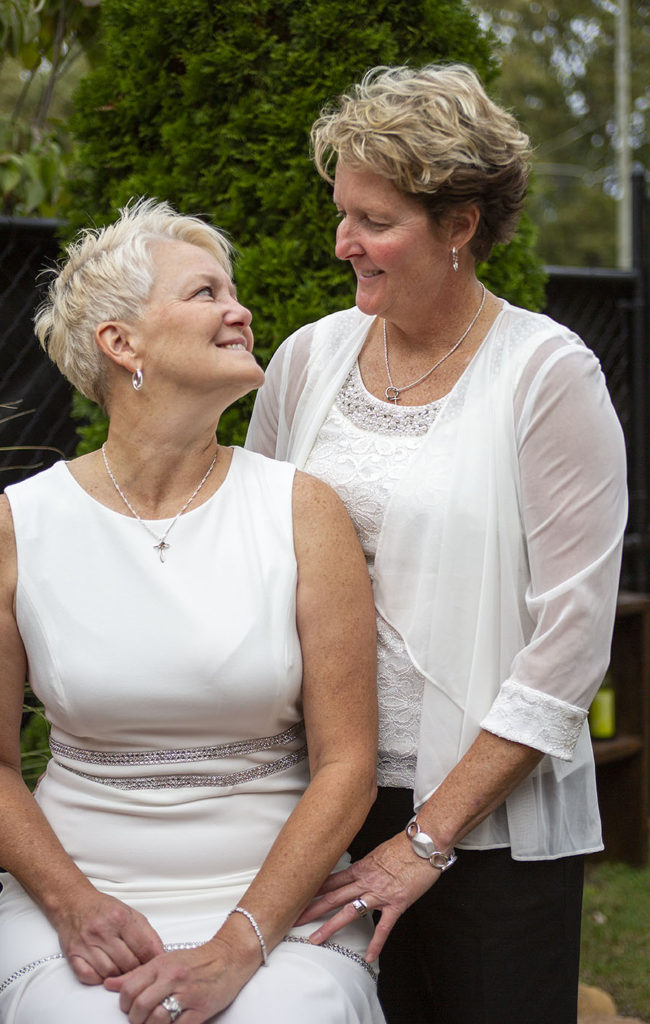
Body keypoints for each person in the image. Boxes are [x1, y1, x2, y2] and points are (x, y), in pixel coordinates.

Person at [245, 64, 628, 1024]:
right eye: (343, 214)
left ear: (459, 226)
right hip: (315, 800)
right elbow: (248, 554)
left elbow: (570, 643)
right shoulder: (307, 360)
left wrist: (426, 840)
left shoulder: (547, 377)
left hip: (483, 821)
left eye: (374, 221)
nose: (344, 244)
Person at [0, 199, 387, 1024]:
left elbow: (349, 767)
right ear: (121, 342)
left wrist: (240, 944)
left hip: (280, 909)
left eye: (232, 292)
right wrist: (74, 906)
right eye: (205, 294)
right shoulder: (14, 527)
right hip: (84, 909)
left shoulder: (302, 511)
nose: (240, 310)